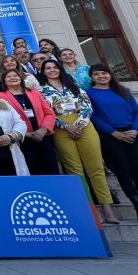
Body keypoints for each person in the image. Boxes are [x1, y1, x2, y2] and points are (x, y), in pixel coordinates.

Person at [39, 59, 119, 224]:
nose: (52, 70)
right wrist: (66, 126)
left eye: (55, 67)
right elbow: (46, 112)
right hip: (62, 128)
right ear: (43, 72)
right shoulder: (41, 91)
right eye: (48, 68)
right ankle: (87, 208)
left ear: (60, 69)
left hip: (83, 125)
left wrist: (78, 125)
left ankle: (107, 207)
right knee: (74, 169)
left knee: (95, 167)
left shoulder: (74, 85)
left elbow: (87, 106)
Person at [88, 64, 138, 224]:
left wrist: (135, 130)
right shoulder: (89, 93)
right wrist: (114, 133)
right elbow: (93, 116)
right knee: (124, 171)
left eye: (104, 73)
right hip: (111, 136)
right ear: (92, 77)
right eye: (96, 74)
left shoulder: (123, 91)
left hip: (133, 134)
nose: (101, 76)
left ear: (110, 74)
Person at [0, 70, 59, 175]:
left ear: (21, 78)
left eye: (15, 75)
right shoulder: (0, 97)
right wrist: (26, 133)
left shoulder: (34, 92)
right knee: (33, 171)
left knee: (52, 169)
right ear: (4, 81)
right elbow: (4, 120)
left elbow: (49, 113)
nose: (12, 78)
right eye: (9, 77)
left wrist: (43, 130)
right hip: (22, 139)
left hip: (44, 136)